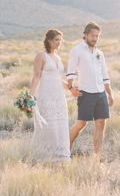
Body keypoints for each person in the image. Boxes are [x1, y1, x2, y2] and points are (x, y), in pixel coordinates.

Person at [66, 22, 114, 159]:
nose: (95, 38)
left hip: (100, 93)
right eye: (92, 35)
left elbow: (104, 75)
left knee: (101, 123)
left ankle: (97, 156)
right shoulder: (77, 50)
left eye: (97, 36)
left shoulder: (99, 53)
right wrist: (71, 88)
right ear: (85, 35)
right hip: (85, 92)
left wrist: (110, 94)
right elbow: (70, 71)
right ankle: (65, 150)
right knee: (81, 123)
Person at [28, 29, 73, 162]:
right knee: (47, 125)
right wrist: (30, 95)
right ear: (48, 40)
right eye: (56, 40)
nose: (59, 42)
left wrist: (70, 88)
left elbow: (57, 78)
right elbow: (36, 75)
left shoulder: (58, 58)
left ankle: (59, 156)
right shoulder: (41, 56)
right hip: (46, 95)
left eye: (60, 40)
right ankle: (41, 155)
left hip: (59, 97)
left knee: (59, 125)